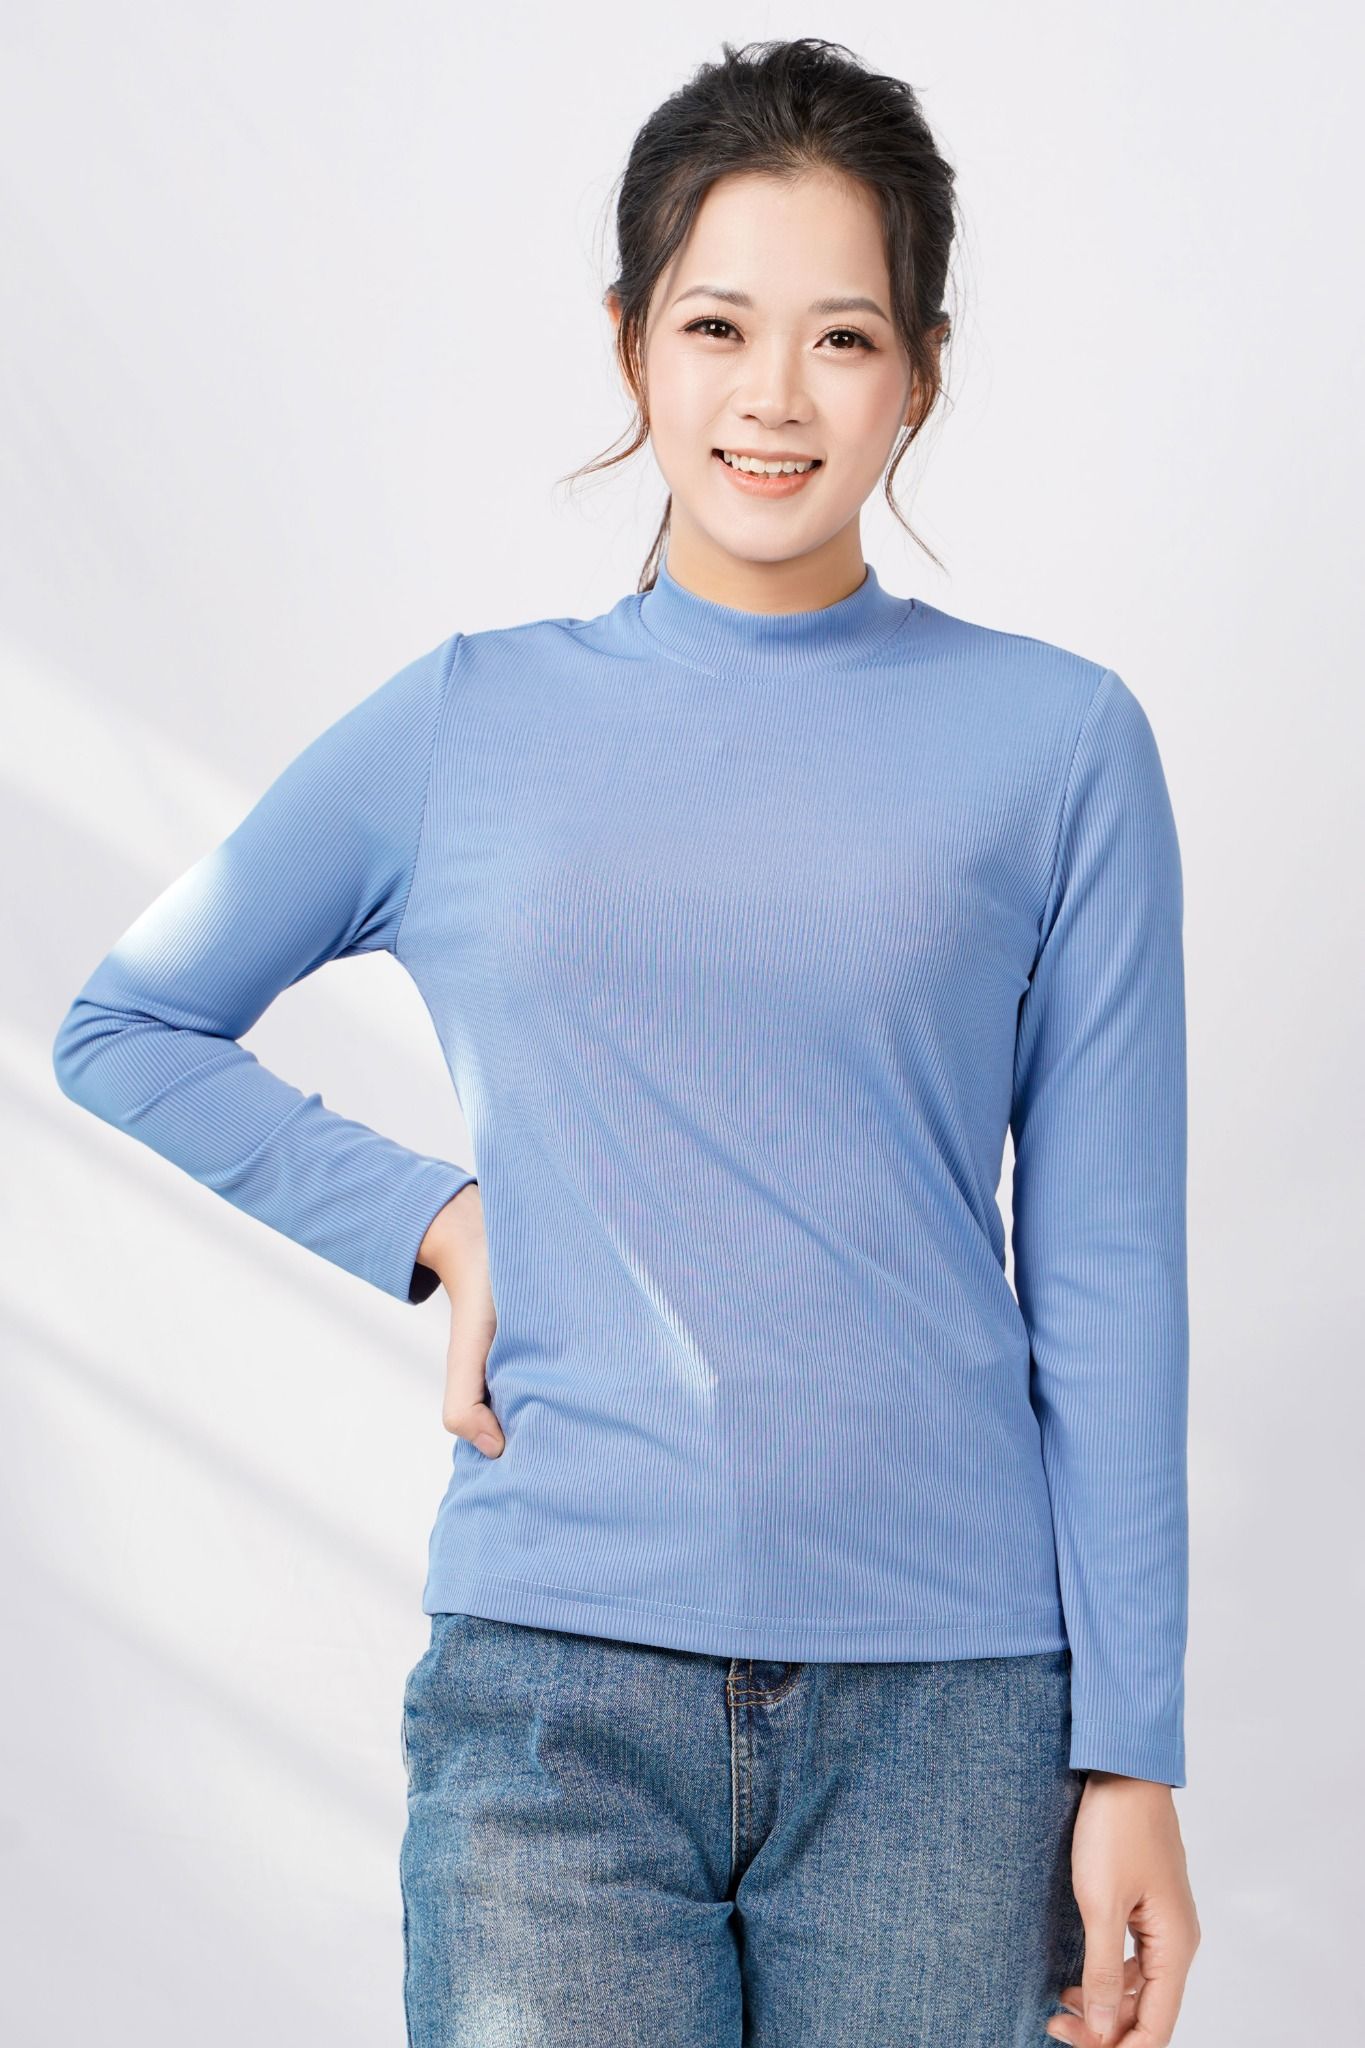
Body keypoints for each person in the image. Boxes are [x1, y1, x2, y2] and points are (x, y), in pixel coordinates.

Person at [50, 34, 1201, 2048]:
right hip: (551, 1696)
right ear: (628, 345)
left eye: (841, 337)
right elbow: (126, 1023)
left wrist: (1130, 1755)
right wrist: (436, 1217)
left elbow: (1104, 1273)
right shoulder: (465, 720)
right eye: (716, 326)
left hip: (946, 1716)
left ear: (920, 373)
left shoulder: (1059, 745)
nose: (772, 397)